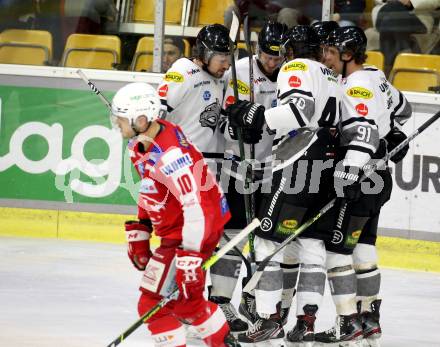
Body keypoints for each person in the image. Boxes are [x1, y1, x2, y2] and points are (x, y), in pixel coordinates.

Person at [226, 25, 342, 345]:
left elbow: (297, 111)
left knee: (267, 241)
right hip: (327, 169)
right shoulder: (332, 75)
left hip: (297, 165)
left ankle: (269, 317)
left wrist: (256, 116)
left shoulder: (296, 67)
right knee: (312, 248)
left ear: (292, 50)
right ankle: (306, 319)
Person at [297, 26, 411, 346]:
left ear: (347, 55)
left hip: (362, 178)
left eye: (331, 53)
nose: (325, 58)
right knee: (364, 249)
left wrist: (347, 174)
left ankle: (347, 322)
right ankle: (369, 319)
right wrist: (394, 132)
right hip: (380, 176)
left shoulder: (355, 86)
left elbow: (362, 135)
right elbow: (403, 108)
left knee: (337, 252)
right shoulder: (376, 76)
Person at [110, 82, 240, 347]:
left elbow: (198, 208)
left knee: (152, 303)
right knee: (186, 303)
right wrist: (142, 227)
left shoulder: (172, 157)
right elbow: (151, 189)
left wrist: (191, 255)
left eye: (121, 118)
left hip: (193, 231)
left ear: (142, 118)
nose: (116, 124)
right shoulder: (142, 144)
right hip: (180, 232)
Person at [210, 21, 297, 338]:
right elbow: (227, 120)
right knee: (232, 237)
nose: (273, 63)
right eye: (267, 56)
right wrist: (238, 126)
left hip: (274, 170)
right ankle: (220, 301)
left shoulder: (292, 75)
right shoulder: (241, 69)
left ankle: (254, 295)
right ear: (259, 50)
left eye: (278, 57)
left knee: (266, 242)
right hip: (239, 168)